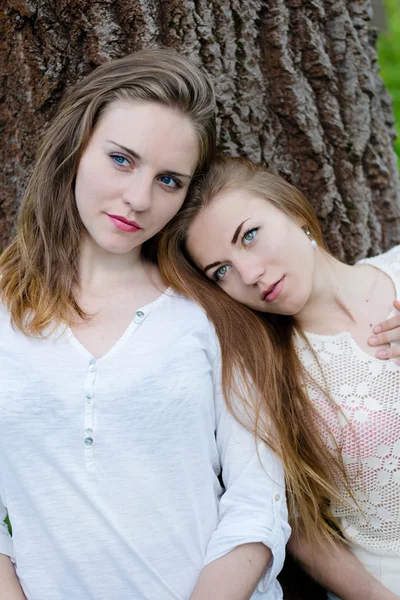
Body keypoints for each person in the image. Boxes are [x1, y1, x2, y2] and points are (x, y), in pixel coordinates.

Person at [0, 52, 290, 600]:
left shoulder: (211, 313)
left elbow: (259, 501)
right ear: (76, 147)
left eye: (169, 180)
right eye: (121, 159)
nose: (139, 199)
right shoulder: (3, 315)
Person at [158, 155, 400, 600]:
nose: (249, 275)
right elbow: (300, 528)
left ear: (290, 209)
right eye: (222, 271)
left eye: (249, 236)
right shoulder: (264, 376)